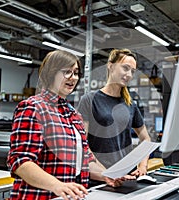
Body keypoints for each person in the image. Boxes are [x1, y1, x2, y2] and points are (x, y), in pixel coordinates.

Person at [7, 50, 130, 200]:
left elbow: (85, 161)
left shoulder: (74, 114)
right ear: (51, 73)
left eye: (76, 73)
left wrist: (107, 176)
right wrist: (58, 185)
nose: (73, 78)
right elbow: (21, 162)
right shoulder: (33, 107)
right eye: (67, 72)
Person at [77, 48, 151, 177]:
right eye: (125, 68)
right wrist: (106, 173)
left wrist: (142, 166)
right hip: (101, 177)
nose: (129, 75)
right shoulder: (89, 100)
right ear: (111, 67)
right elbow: (82, 143)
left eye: (132, 71)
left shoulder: (130, 104)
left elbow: (146, 138)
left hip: (128, 176)